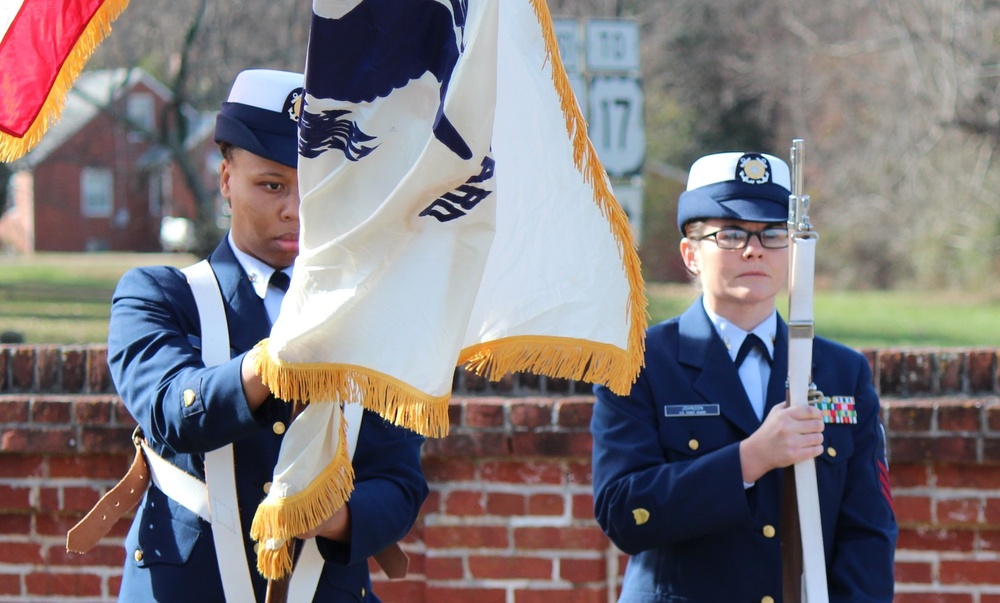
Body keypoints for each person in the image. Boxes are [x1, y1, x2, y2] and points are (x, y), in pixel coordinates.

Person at [107, 68, 428, 602]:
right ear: (226, 179)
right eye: (273, 185)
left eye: (317, 187)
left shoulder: (372, 312)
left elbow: (398, 479)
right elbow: (170, 409)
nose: (296, 210)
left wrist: (339, 518)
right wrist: (273, 360)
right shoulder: (161, 295)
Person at [590, 152, 897, 602]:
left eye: (773, 234)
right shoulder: (638, 363)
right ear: (691, 254)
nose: (754, 249)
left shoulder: (839, 371)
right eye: (731, 234)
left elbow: (868, 531)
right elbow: (623, 512)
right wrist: (751, 458)